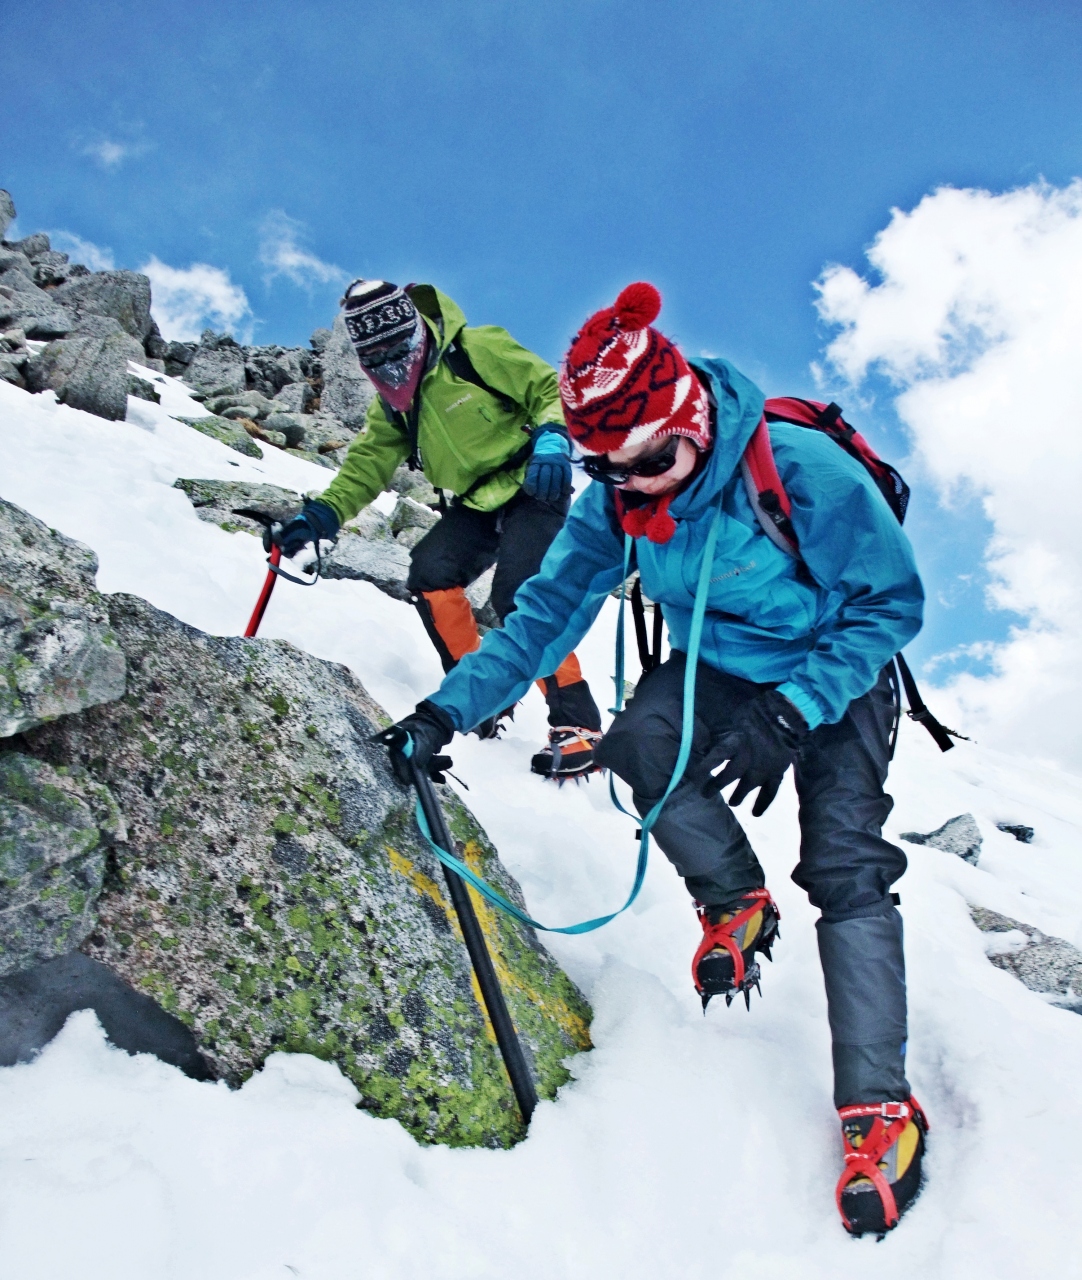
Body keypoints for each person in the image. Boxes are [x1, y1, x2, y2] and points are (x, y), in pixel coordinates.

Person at [386, 282, 930, 1236]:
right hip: (717, 663)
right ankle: (733, 899)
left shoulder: (799, 472)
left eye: (649, 462)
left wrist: (797, 714)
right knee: (638, 746)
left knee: (843, 860)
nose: (633, 485)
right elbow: (542, 617)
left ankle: (880, 1106)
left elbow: (889, 604)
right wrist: (443, 711)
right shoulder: (620, 501)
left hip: (830, 667)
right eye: (611, 469)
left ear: (692, 419)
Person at [272, 279, 603, 779]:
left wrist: (554, 436)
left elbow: (544, 388)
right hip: (472, 502)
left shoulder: (475, 349)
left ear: (416, 330)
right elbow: (366, 468)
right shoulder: (393, 409)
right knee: (429, 573)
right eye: (376, 356)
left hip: (532, 480)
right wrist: (322, 517)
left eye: (397, 348)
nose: (391, 365)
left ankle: (578, 725)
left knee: (522, 594)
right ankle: (481, 697)